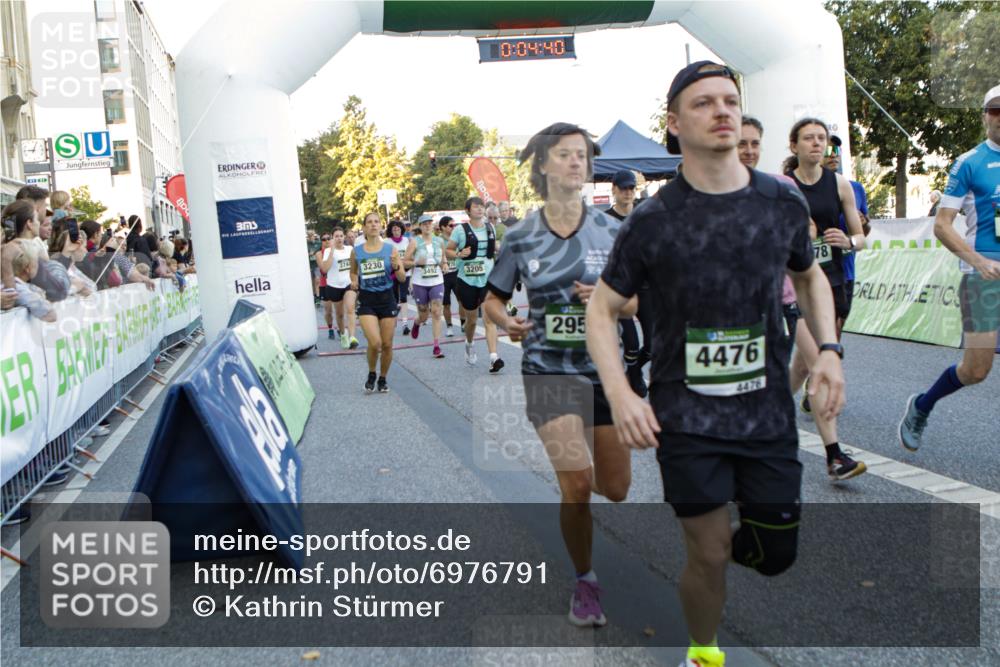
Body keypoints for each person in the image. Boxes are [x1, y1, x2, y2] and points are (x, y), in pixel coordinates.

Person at [586, 61, 846, 667]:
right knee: (706, 553)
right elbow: (602, 313)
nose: (723, 110)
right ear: (674, 125)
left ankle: (732, 560)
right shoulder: (651, 220)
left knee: (776, 554)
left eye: (730, 100)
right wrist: (624, 395)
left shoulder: (779, 201)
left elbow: (809, 279)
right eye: (704, 103)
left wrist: (828, 350)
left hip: (766, 416)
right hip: (687, 418)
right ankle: (703, 653)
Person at [484, 121, 636, 628]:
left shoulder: (613, 230)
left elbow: (639, 302)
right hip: (547, 370)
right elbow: (492, 300)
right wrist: (508, 322)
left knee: (615, 488)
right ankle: (585, 579)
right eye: (566, 155)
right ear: (544, 165)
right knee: (577, 485)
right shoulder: (521, 235)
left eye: (583, 156)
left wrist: (611, 300)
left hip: (603, 371)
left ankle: (582, 521)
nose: (577, 162)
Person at [899, 85, 1000, 451]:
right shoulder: (970, 162)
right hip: (983, 278)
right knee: (976, 370)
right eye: (995, 111)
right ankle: (922, 405)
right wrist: (978, 262)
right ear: (985, 116)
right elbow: (942, 225)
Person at [785, 118, 868, 480]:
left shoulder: (840, 185)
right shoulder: (782, 186)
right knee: (817, 359)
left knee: (805, 366)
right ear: (795, 146)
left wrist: (849, 242)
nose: (818, 145)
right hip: (792, 283)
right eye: (810, 139)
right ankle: (834, 455)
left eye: (823, 139)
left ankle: (763, 409)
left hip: (828, 281)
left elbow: (861, 234)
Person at [603, 169, 648, 397]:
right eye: (624, 188)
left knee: (653, 344)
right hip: (620, 288)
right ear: (614, 190)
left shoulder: (643, 214)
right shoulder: (604, 220)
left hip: (646, 287)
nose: (628, 192)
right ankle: (634, 375)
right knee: (631, 341)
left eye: (631, 188)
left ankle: (633, 370)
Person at [446, 196, 504, 372]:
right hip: (467, 280)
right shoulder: (460, 231)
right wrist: (458, 254)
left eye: (482, 207)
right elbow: (448, 251)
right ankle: (469, 344)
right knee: (471, 320)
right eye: (476, 207)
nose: (480, 209)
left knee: (489, 319)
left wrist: (500, 248)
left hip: (487, 279)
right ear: (468, 211)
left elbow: (493, 248)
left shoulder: (490, 227)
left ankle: (494, 358)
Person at [350, 212, 406, 393]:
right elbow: (353, 272)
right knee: (375, 343)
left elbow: (402, 278)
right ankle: (372, 372)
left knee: (387, 344)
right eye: (369, 222)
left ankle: (383, 378)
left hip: (387, 299)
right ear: (365, 228)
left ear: (381, 226)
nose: (373, 225)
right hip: (367, 300)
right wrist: (354, 280)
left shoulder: (390, 249)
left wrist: (396, 266)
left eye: (376, 222)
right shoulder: (357, 251)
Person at [823, 134, 870, 328]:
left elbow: (863, 234)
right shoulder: (804, 186)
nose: (833, 155)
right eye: (828, 151)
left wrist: (864, 222)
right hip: (816, 269)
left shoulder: (855, 188)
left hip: (845, 269)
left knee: (836, 330)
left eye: (836, 151)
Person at [403, 214, 448, 357]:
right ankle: (417, 323)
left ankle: (436, 346)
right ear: (420, 227)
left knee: (436, 312)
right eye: (424, 224)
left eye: (429, 223)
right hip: (420, 283)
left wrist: (445, 264)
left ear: (432, 225)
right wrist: (416, 263)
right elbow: (405, 262)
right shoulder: (414, 242)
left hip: (437, 281)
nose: (427, 226)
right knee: (424, 315)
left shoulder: (439, 241)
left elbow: (443, 258)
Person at [323, 228, 359, 349]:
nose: (339, 238)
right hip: (334, 285)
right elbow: (325, 269)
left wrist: (356, 280)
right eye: (336, 236)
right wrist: (332, 250)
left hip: (348, 283)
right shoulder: (328, 251)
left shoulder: (350, 249)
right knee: (339, 314)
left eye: (341, 236)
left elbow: (356, 266)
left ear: (344, 237)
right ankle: (343, 334)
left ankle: (352, 337)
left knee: (350, 308)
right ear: (333, 238)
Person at [385, 220, 413, 335]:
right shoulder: (387, 242)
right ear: (391, 231)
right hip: (392, 273)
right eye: (394, 229)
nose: (396, 231)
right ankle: (393, 321)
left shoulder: (407, 241)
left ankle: (405, 324)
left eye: (398, 229)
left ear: (402, 229)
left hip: (405, 272)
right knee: (395, 300)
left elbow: (410, 257)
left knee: (404, 298)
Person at [438, 216, 459, 337]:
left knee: (462, 300)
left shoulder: (456, 238)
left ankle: (462, 323)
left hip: (456, 272)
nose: (453, 227)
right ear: (443, 227)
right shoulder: (438, 241)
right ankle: (449, 326)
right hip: (444, 275)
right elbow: (441, 255)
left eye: (454, 225)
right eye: (451, 226)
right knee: (446, 304)